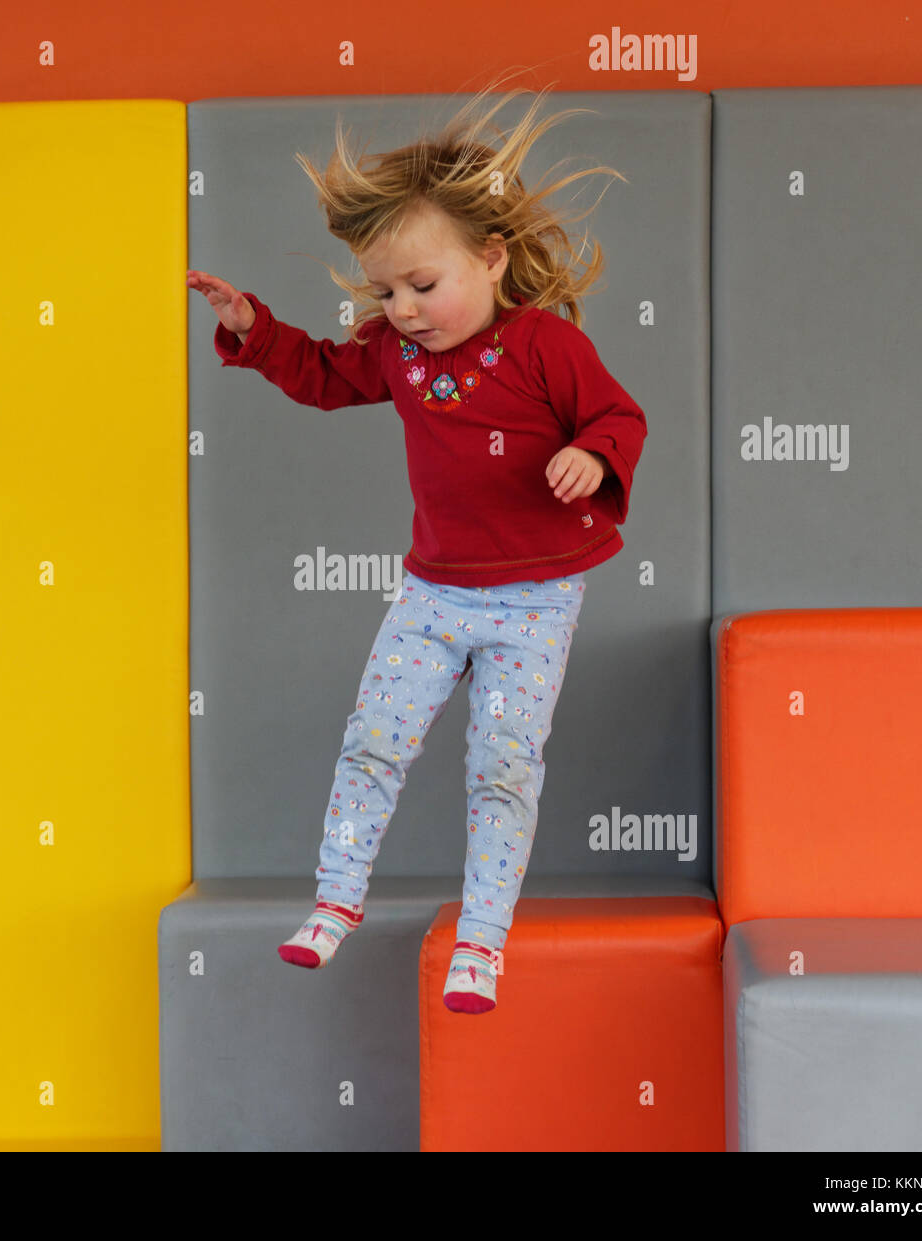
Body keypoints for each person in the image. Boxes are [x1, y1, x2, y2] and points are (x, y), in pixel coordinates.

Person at [185, 78, 647, 1014]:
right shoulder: (397, 357)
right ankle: (336, 900)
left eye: (423, 286)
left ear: (492, 257)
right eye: (386, 289)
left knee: (503, 764)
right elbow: (321, 377)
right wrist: (252, 330)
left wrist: (591, 456)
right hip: (434, 593)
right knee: (373, 742)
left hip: (535, 598)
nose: (402, 308)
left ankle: (482, 938)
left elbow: (617, 414)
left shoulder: (544, 344)